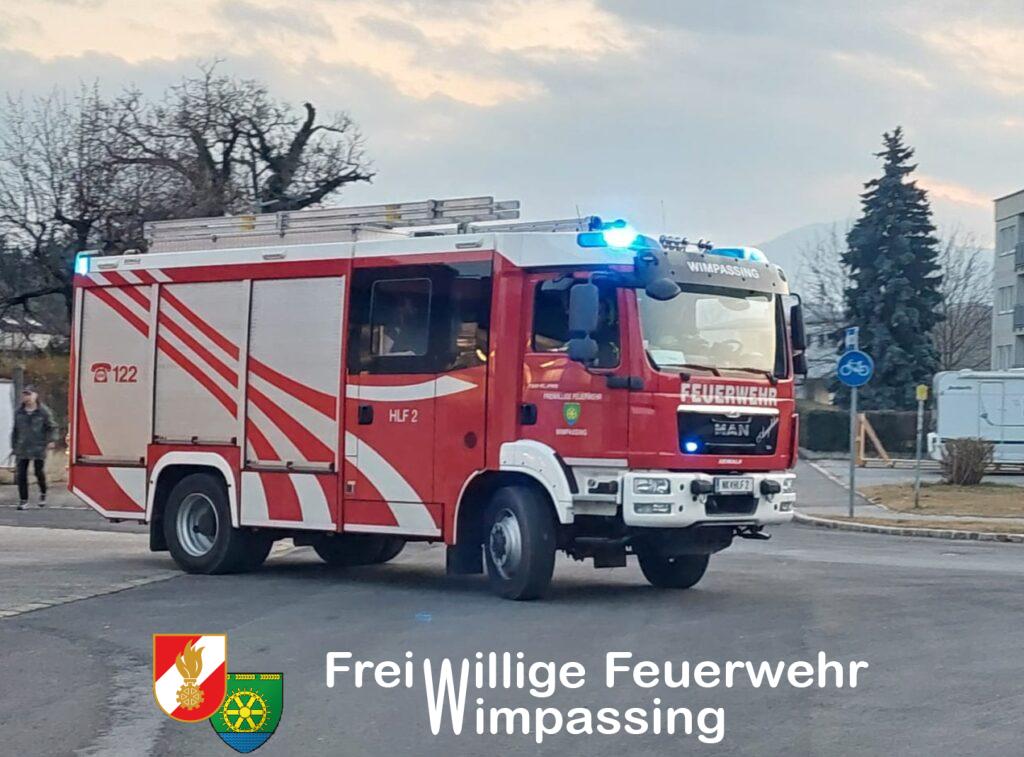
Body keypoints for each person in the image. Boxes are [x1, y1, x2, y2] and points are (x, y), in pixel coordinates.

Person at [11, 385, 56, 510]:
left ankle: (43, 492)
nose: (27, 397)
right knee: (21, 474)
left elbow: (52, 427)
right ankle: (23, 500)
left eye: (29, 394)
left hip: (38, 446)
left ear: (35, 395)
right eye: (25, 394)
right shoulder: (19, 412)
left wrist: (51, 440)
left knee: (38, 472)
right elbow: (15, 430)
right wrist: (14, 446)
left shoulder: (43, 411)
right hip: (22, 447)